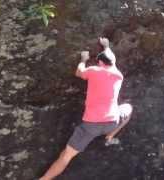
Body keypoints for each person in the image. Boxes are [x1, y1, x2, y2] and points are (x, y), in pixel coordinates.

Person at [39, 37, 133, 180]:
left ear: (100, 63)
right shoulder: (118, 75)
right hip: (112, 122)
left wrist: (83, 59)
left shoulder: (93, 70)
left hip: (91, 126)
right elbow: (111, 59)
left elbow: (79, 72)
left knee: (66, 156)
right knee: (129, 108)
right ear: (113, 63)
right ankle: (111, 135)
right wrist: (106, 45)